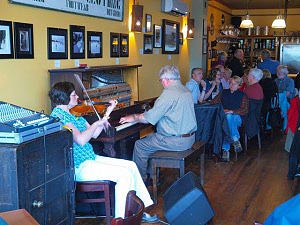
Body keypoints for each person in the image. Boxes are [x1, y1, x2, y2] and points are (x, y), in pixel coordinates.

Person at [48, 82, 153, 218]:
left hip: (90, 159)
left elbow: (95, 134)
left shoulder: (73, 114)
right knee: (123, 174)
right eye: (73, 95)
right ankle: (120, 219)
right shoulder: (59, 117)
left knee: (131, 165)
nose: (77, 97)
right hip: (79, 166)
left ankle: (139, 210)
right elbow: (81, 140)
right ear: (64, 97)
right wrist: (96, 124)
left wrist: (107, 113)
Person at [119, 65, 197, 181]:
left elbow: (148, 119)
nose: (161, 83)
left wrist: (134, 117)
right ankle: (152, 176)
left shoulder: (169, 93)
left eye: (161, 81)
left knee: (140, 145)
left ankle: (140, 182)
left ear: (166, 80)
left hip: (176, 141)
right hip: (189, 138)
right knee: (151, 139)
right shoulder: (184, 89)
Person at [211, 76, 248, 161]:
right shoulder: (224, 92)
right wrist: (223, 110)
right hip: (225, 118)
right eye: (231, 83)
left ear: (239, 85)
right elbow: (214, 102)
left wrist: (232, 111)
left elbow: (245, 110)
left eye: (235, 84)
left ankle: (226, 150)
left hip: (237, 118)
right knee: (227, 121)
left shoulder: (242, 95)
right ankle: (234, 140)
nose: (232, 85)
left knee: (229, 117)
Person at [275, 65, 296, 131]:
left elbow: (288, 94)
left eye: (279, 72)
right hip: (277, 101)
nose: (277, 73)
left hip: (288, 101)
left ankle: (285, 125)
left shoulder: (290, 81)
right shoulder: (276, 80)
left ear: (284, 73)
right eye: (277, 72)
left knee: (282, 102)